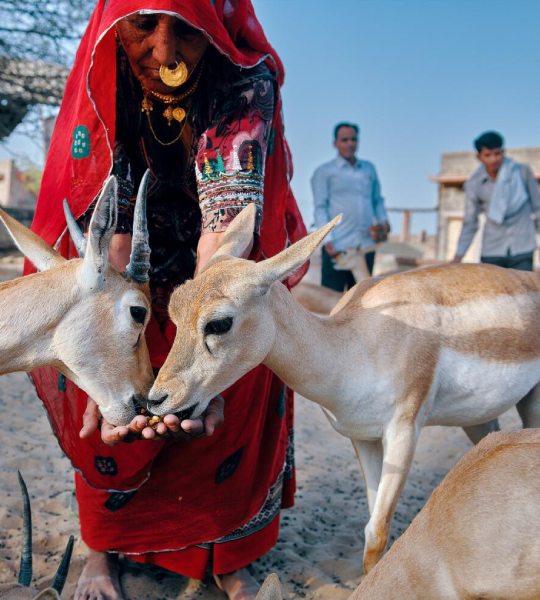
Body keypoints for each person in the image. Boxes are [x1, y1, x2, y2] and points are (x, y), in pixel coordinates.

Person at [24, 2, 308, 599]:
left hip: (215, 262)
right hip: (126, 265)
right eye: (143, 25)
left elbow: (228, 228)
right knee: (101, 365)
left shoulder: (244, 79)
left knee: (233, 342)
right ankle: (101, 551)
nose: (166, 51)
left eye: (187, 29)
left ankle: (227, 554)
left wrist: (206, 354)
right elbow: (112, 227)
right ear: (114, 24)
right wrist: (111, 358)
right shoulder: (105, 76)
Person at [452, 131, 540, 270]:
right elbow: (470, 223)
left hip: (522, 248)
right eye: (488, 155)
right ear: (479, 157)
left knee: (523, 291)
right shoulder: (475, 184)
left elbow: (539, 208)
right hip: (492, 250)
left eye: (497, 153)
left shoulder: (522, 172)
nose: (493, 159)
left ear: (503, 152)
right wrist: (458, 256)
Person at [311, 123, 390, 292]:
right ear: (335, 143)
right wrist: (328, 239)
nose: (349, 144)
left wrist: (383, 221)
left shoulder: (368, 169)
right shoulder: (324, 172)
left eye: (353, 139)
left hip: (365, 246)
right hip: (339, 249)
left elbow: (377, 200)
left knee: (364, 302)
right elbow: (320, 208)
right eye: (344, 140)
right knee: (333, 303)